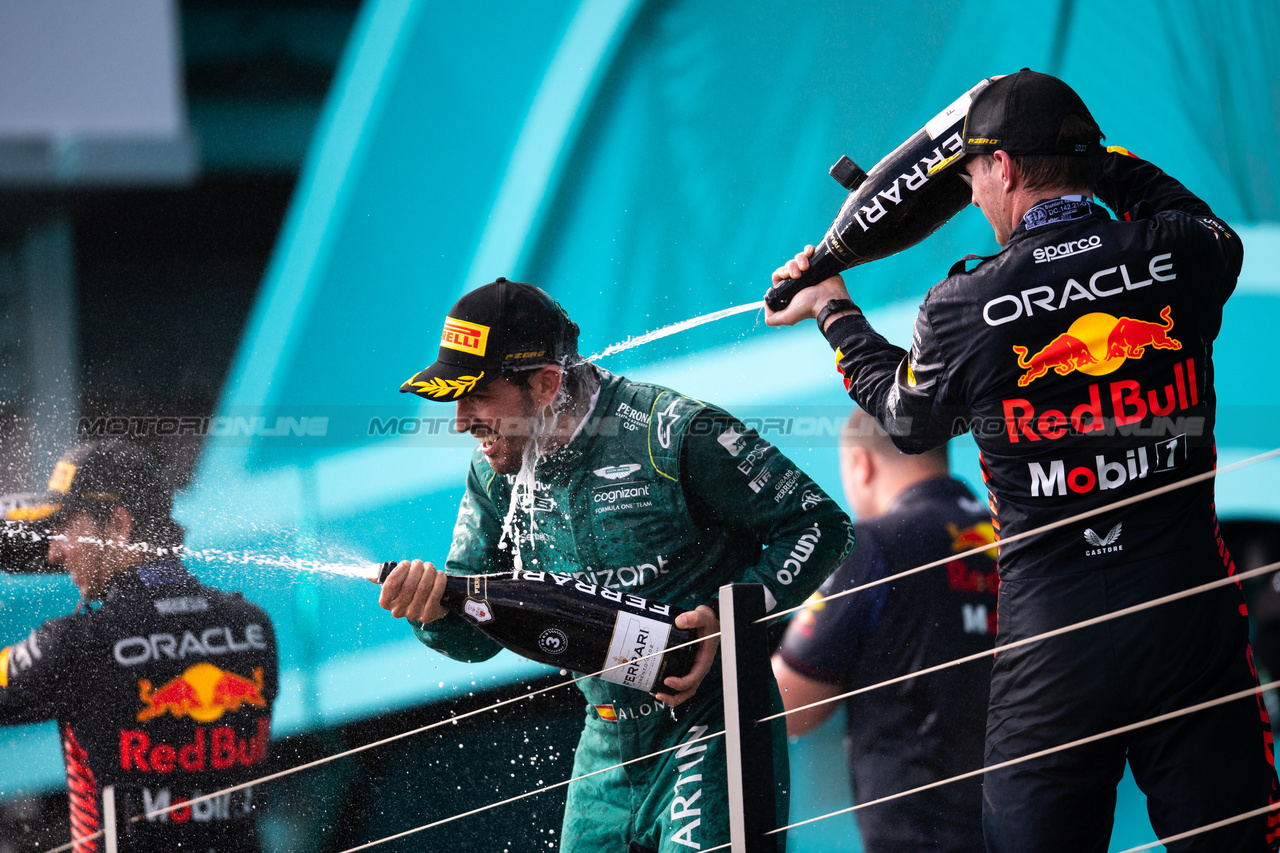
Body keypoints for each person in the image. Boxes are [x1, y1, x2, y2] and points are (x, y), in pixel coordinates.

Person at [765, 69, 1278, 852]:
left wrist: (833, 308)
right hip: (1187, 618)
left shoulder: (964, 307)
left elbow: (903, 417)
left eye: (972, 174)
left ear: (1002, 168)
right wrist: (1094, 160)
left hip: (1054, 644)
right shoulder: (1180, 253)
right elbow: (1208, 227)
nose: (971, 195)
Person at [378, 277, 854, 853]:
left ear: (546, 383)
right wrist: (429, 610)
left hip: (712, 719)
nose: (460, 420)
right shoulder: (494, 473)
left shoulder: (672, 431)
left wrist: (725, 620)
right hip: (604, 740)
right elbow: (476, 640)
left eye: (476, 395)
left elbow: (820, 524)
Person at [0, 440, 278, 852]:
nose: (55, 552)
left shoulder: (81, 642)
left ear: (117, 524)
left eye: (65, 529)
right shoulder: (253, 627)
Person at [772, 408, 996, 852]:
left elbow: (788, 705)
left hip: (923, 830)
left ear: (861, 464)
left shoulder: (872, 546)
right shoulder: (1006, 532)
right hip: (1032, 816)